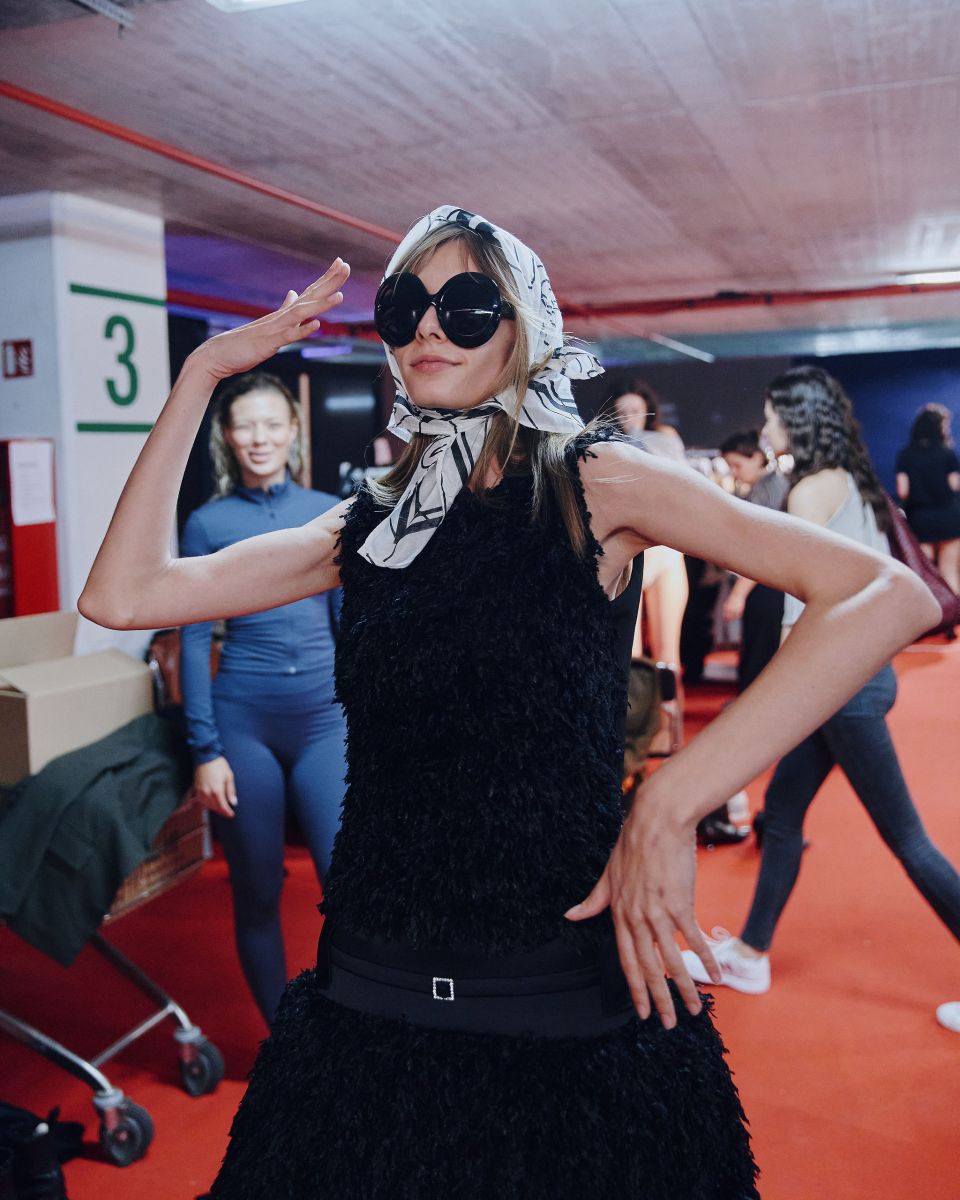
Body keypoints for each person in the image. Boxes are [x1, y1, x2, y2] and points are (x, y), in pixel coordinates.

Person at [79, 209, 937, 1198]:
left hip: (559, 994)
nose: (427, 327)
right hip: (371, 1001)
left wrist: (671, 800)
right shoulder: (372, 524)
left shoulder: (596, 481)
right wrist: (200, 374)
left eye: (466, 305)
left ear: (524, 326)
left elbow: (888, 596)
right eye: (405, 306)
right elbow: (124, 594)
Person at [683, 366, 960, 1003]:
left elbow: (799, 615)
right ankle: (751, 954)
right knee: (782, 814)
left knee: (908, 838)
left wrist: (780, 701)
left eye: (773, 414)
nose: (767, 426)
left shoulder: (810, 491)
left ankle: (750, 953)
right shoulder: (856, 482)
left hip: (842, 687)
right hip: (861, 676)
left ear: (799, 419)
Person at [179, 372, 346, 1027]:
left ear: (292, 431)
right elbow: (193, 640)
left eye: (272, 424)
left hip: (324, 720)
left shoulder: (330, 510)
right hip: (242, 724)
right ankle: (284, 1044)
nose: (259, 438)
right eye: (245, 425)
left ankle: (351, 1030)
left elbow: (349, 623)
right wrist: (205, 751)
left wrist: (372, 718)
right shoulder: (207, 523)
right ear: (226, 435)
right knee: (257, 889)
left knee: (347, 884)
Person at [612, 379, 689, 755]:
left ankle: (671, 735)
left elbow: (683, 486)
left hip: (666, 554)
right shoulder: (607, 447)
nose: (629, 417)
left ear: (647, 411)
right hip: (631, 556)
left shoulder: (665, 441)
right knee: (632, 655)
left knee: (668, 655)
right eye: (622, 411)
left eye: (635, 410)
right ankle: (637, 740)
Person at [719, 429, 789, 691]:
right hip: (764, 581)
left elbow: (765, 548)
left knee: (760, 652)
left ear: (757, 459)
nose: (734, 472)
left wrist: (739, 593)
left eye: (737, 465)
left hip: (768, 583)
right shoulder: (764, 487)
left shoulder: (769, 489)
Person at [895, 403, 960, 594]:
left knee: (923, 577)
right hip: (949, 517)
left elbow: (903, 491)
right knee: (950, 573)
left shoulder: (906, 455)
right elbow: (954, 486)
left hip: (920, 519)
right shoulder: (947, 454)